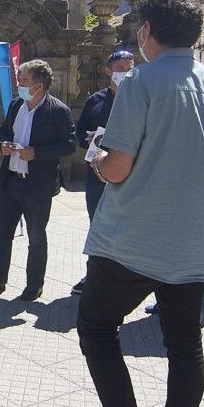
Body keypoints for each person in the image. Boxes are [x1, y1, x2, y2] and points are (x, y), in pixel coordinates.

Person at [76, 0, 204, 407]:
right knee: (185, 347)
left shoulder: (141, 83)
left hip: (135, 239)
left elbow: (118, 166)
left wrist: (98, 160)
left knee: (97, 329)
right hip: (195, 241)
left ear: (146, 31)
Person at [0, 59, 74, 302]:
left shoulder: (59, 110)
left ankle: (34, 285)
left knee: (36, 237)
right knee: (1, 233)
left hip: (37, 185)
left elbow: (69, 144)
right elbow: (6, 130)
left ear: (39, 85)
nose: (20, 84)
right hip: (11, 181)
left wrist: (37, 153)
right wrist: (5, 144)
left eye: (24, 80)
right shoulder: (17, 104)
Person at [70, 49, 135, 295]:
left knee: (128, 227)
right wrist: (89, 142)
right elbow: (79, 132)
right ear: (108, 71)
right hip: (97, 174)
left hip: (131, 176)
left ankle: (127, 279)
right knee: (97, 225)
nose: (126, 73)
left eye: (130, 68)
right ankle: (94, 276)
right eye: (121, 68)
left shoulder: (140, 99)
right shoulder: (95, 100)